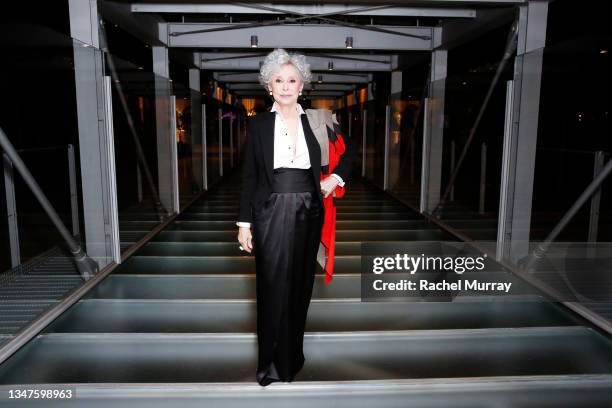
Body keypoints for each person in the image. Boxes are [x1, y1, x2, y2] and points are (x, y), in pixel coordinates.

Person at [236, 48, 353, 386]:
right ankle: (269, 363)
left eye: (292, 80)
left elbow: (349, 155)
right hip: (269, 210)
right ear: (269, 86)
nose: (286, 86)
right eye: (278, 80)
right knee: (271, 285)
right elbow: (250, 177)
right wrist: (244, 223)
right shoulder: (258, 125)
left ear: (302, 86)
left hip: (308, 208)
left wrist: (334, 178)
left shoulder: (319, 120)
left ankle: (291, 358)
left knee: (300, 286)